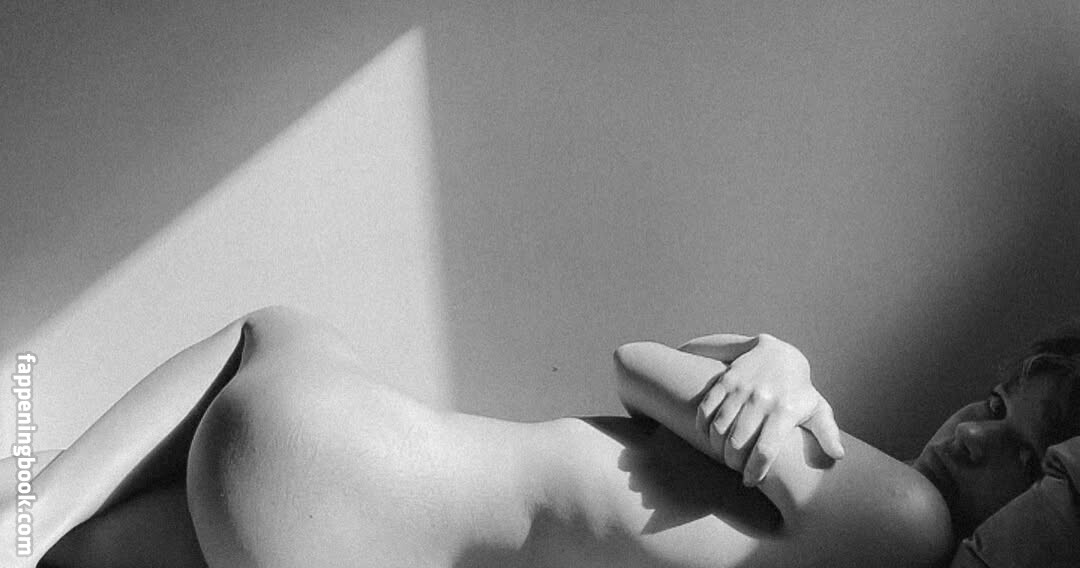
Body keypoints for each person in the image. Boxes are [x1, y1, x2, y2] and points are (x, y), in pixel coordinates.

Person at [0, 306, 1076, 567]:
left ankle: (23, 505)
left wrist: (774, 356)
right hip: (335, 540)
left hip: (333, 466)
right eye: (994, 405)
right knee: (95, 554)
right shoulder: (863, 531)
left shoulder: (908, 515)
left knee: (275, 330)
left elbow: (637, 366)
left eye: (1025, 458)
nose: (978, 440)